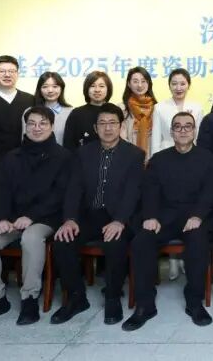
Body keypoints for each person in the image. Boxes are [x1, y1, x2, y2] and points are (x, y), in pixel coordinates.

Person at [0, 107, 71, 327]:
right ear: (25, 126)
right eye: (32, 123)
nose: (37, 128)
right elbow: (0, 191)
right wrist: (1, 218)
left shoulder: (64, 156)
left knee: (31, 238)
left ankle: (29, 298)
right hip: (12, 219)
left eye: (43, 123)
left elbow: (60, 195)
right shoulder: (12, 157)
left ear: (52, 126)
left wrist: (31, 216)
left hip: (46, 219)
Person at [121, 112, 213, 331]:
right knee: (141, 242)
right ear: (172, 132)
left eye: (188, 126)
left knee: (198, 242)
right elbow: (149, 191)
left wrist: (198, 216)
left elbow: (211, 192)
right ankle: (145, 305)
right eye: (178, 127)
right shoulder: (159, 160)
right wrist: (150, 216)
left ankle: (194, 302)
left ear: (194, 131)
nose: (183, 130)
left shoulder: (209, 159)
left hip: (195, 217)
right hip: (164, 216)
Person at [50, 103, 144, 325]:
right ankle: (76, 297)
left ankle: (112, 296)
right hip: (89, 215)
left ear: (121, 126)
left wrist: (119, 221)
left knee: (115, 242)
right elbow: (74, 188)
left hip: (119, 216)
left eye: (112, 123)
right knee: (62, 241)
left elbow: (133, 192)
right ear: (95, 127)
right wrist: (70, 219)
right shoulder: (83, 153)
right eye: (102, 123)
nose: (107, 128)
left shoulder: (134, 154)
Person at [151, 68, 203, 157]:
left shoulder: (197, 108)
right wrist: (154, 158)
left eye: (182, 84)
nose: (178, 88)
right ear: (169, 86)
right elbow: (156, 139)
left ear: (189, 85)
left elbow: (198, 136)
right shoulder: (159, 107)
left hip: (191, 154)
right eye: (174, 84)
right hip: (166, 154)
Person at [63, 70, 113, 150]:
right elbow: (68, 145)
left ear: (108, 89)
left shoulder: (114, 111)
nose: (97, 90)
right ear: (86, 88)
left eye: (101, 86)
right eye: (92, 86)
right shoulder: (77, 114)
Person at [120, 66, 158, 158]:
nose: (140, 85)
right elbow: (121, 138)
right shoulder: (122, 108)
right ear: (129, 84)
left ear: (149, 83)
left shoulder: (157, 108)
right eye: (135, 81)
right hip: (129, 156)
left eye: (143, 81)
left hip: (154, 156)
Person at [29, 71, 73, 145]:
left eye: (55, 86)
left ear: (61, 88)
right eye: (45, 87)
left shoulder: (71, 112)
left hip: (64, 152)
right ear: (39, 89)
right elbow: (25, 140)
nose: (50, 90)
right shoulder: (30, 112)